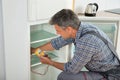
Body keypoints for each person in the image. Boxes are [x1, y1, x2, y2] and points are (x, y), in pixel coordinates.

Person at [31, 9, 120, 80]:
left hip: (109, 75)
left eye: (58, 31)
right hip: (103, 68)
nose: (57, 33)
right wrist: (35, 50)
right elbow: (57, 42)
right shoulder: (79, 28)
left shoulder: (87, 41)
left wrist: (50, 62)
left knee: (64, 77)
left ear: (69, 29)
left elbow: (71, 69)